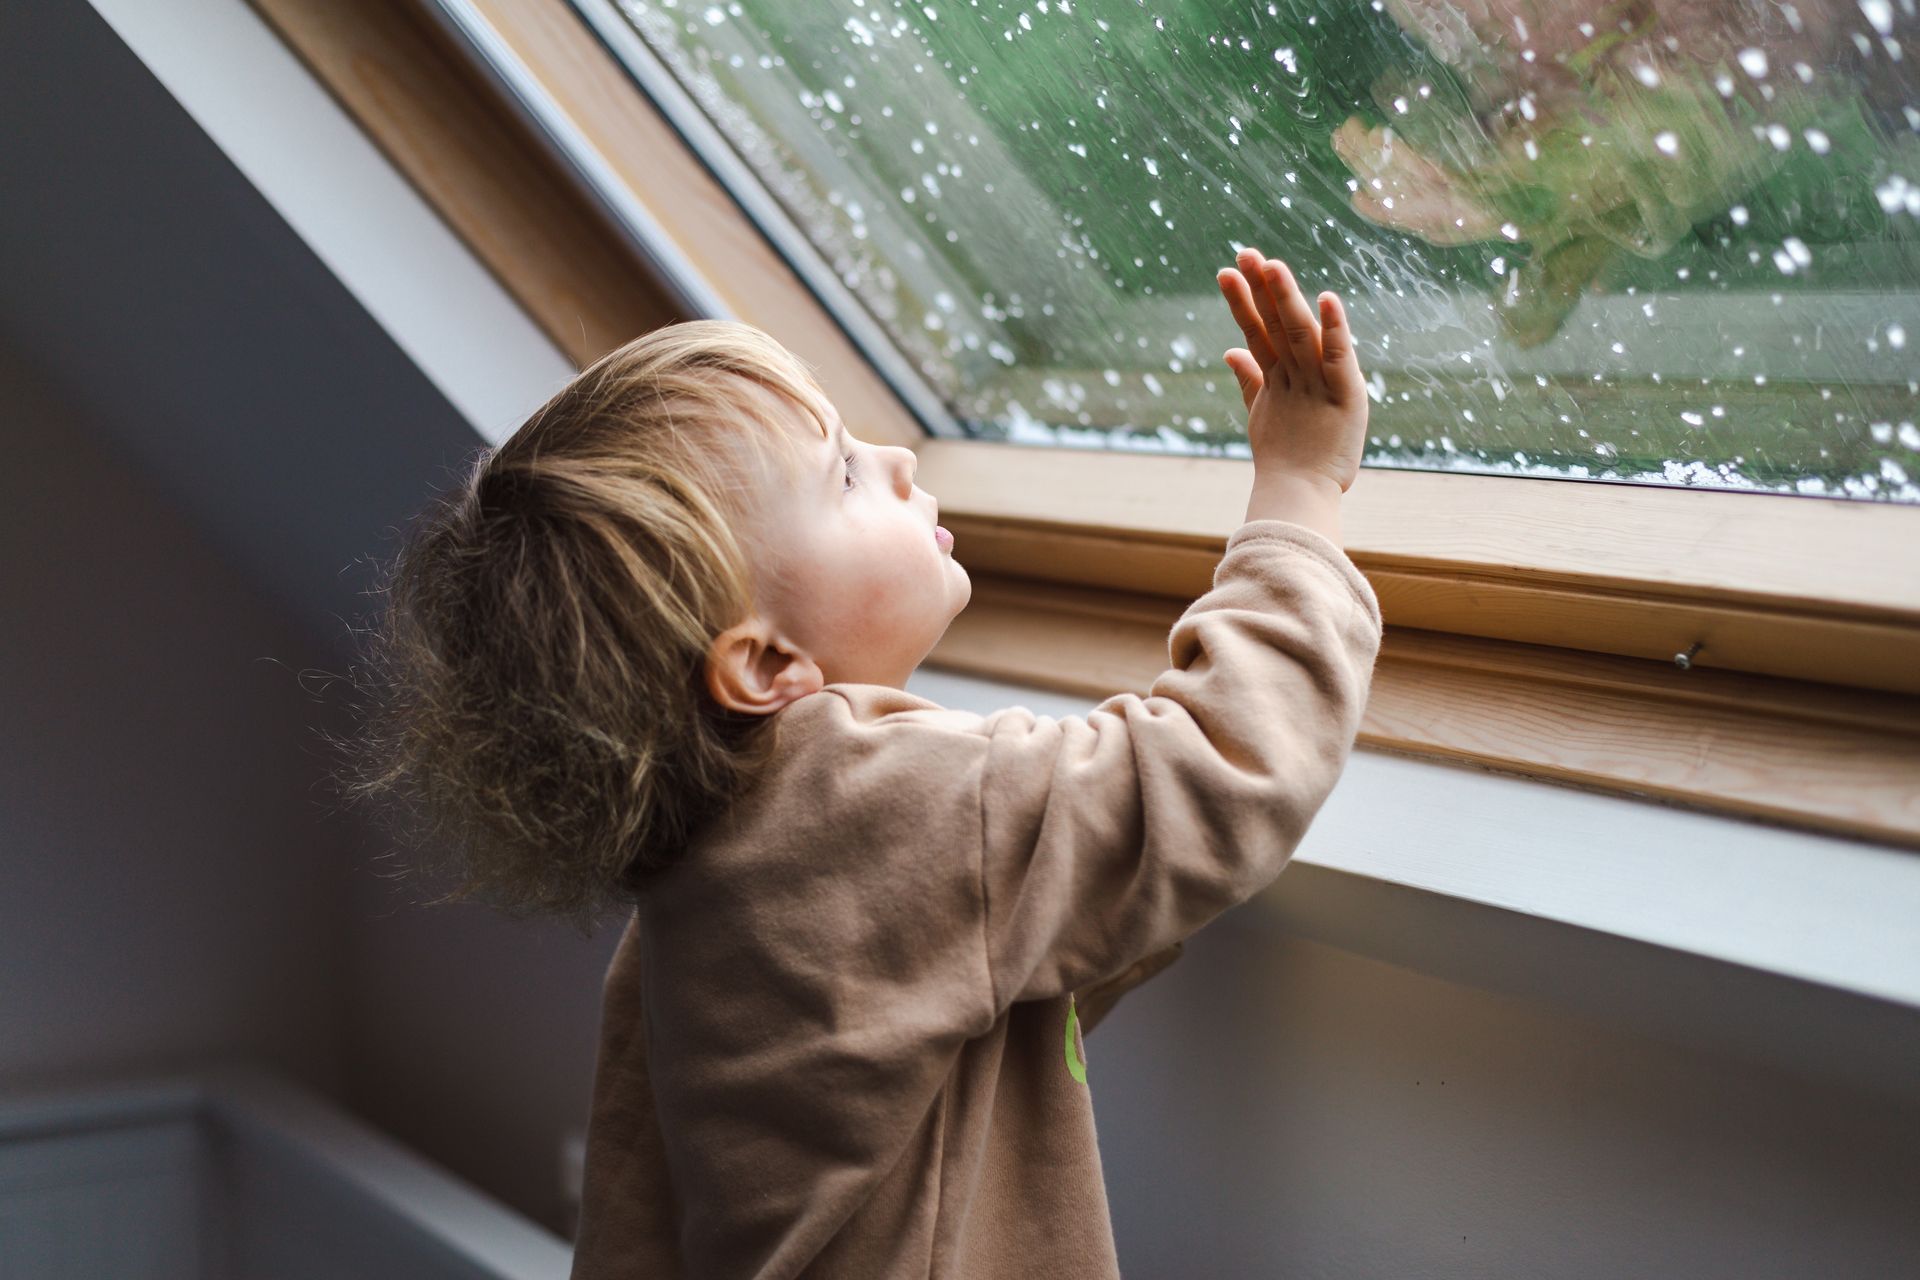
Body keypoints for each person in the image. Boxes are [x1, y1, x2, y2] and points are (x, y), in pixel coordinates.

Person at [340, 245, 1382, 1278]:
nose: (899, 462)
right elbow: (1210, 773)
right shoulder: (861, 798)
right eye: (841, 471)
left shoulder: (703, 878)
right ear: (764, 662)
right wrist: (1298, 492)